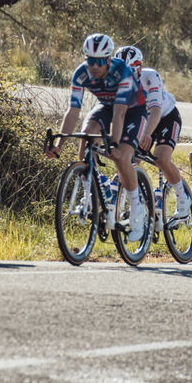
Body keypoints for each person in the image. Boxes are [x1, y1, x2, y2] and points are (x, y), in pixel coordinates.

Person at [46, 33, 149, 242]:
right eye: (90, 60)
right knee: (86, 134)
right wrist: (59, 144)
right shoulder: (81, 74)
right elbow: (72, 110)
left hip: (133, 111)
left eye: (99, 61)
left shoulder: (122, 72)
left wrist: (114, 144)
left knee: (121, 157)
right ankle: (90, 192)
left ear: (108, 59)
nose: (94, 65)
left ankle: (137, 210)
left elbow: (120, 113)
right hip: (106, 107)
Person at [114, 46, 192, 223]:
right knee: (129, 161)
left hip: (166, 116)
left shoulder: (150, 77)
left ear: (139, 68)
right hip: (141, 120)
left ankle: (183, 199)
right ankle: (138, 203)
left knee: (161, 158)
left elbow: (156, 110)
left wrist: (147, 134)